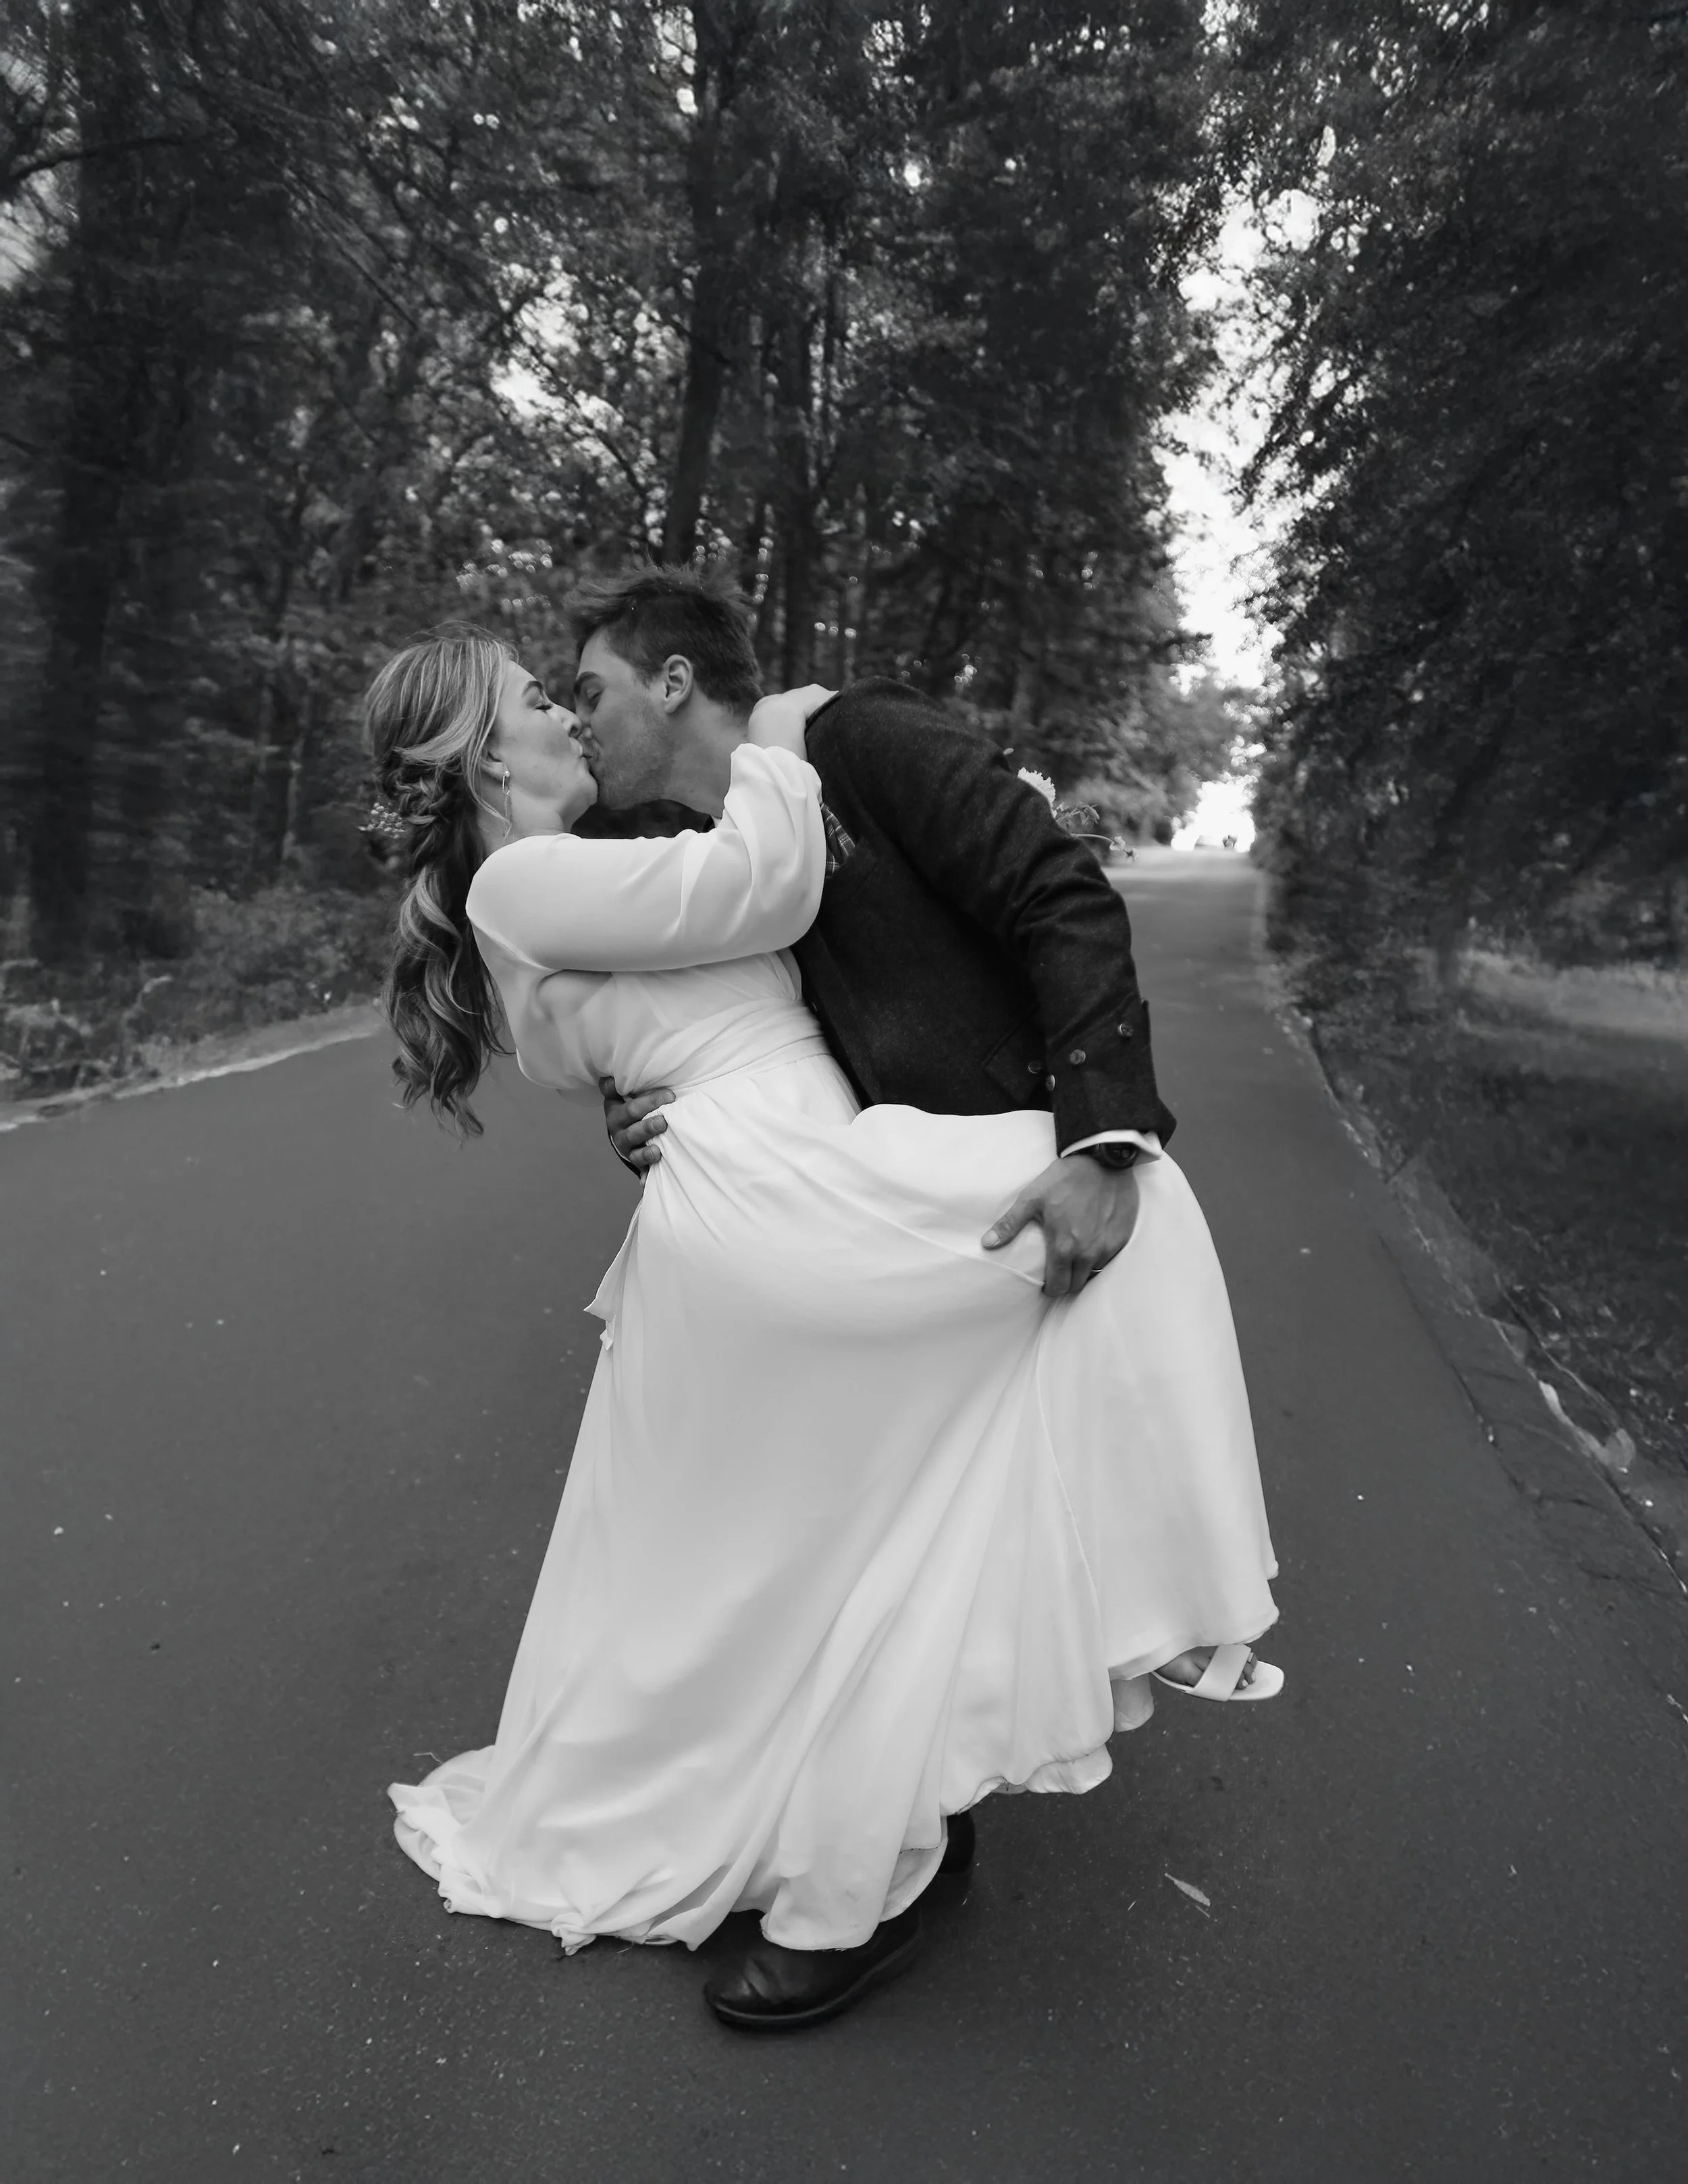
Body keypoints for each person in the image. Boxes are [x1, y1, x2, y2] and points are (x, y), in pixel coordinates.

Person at [373, 583, 1280, 2033]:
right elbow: (742, 910)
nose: (568, 712)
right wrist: (779, 748)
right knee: (1108, 1252)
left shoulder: (820, 757)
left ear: (674, 684)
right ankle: (1072, 1652)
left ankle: (948, 1750)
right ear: (485, 749)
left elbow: (1036, 890)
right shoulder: (618, 842)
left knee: (827, 1546)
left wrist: (1101, 1128)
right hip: (791, 1201)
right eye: (544, 698)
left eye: (581, 688)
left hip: (812, 1176)